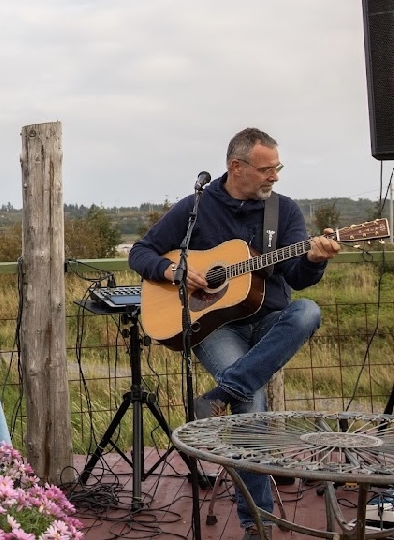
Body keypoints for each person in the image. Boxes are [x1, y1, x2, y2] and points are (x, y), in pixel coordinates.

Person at [129, 128, 341, 540]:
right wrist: (174, 271)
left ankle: (221, 394)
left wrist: (315, 260)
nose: (274, 176)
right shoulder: (196, 207)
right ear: (236, 167)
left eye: (278, 168)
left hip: (269, 320)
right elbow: (142, 251)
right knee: (253, 403)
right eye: (266, 169)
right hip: (212, 326)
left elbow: (298, 275)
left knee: (307, 312)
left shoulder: (285, 212)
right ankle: (257, 524)